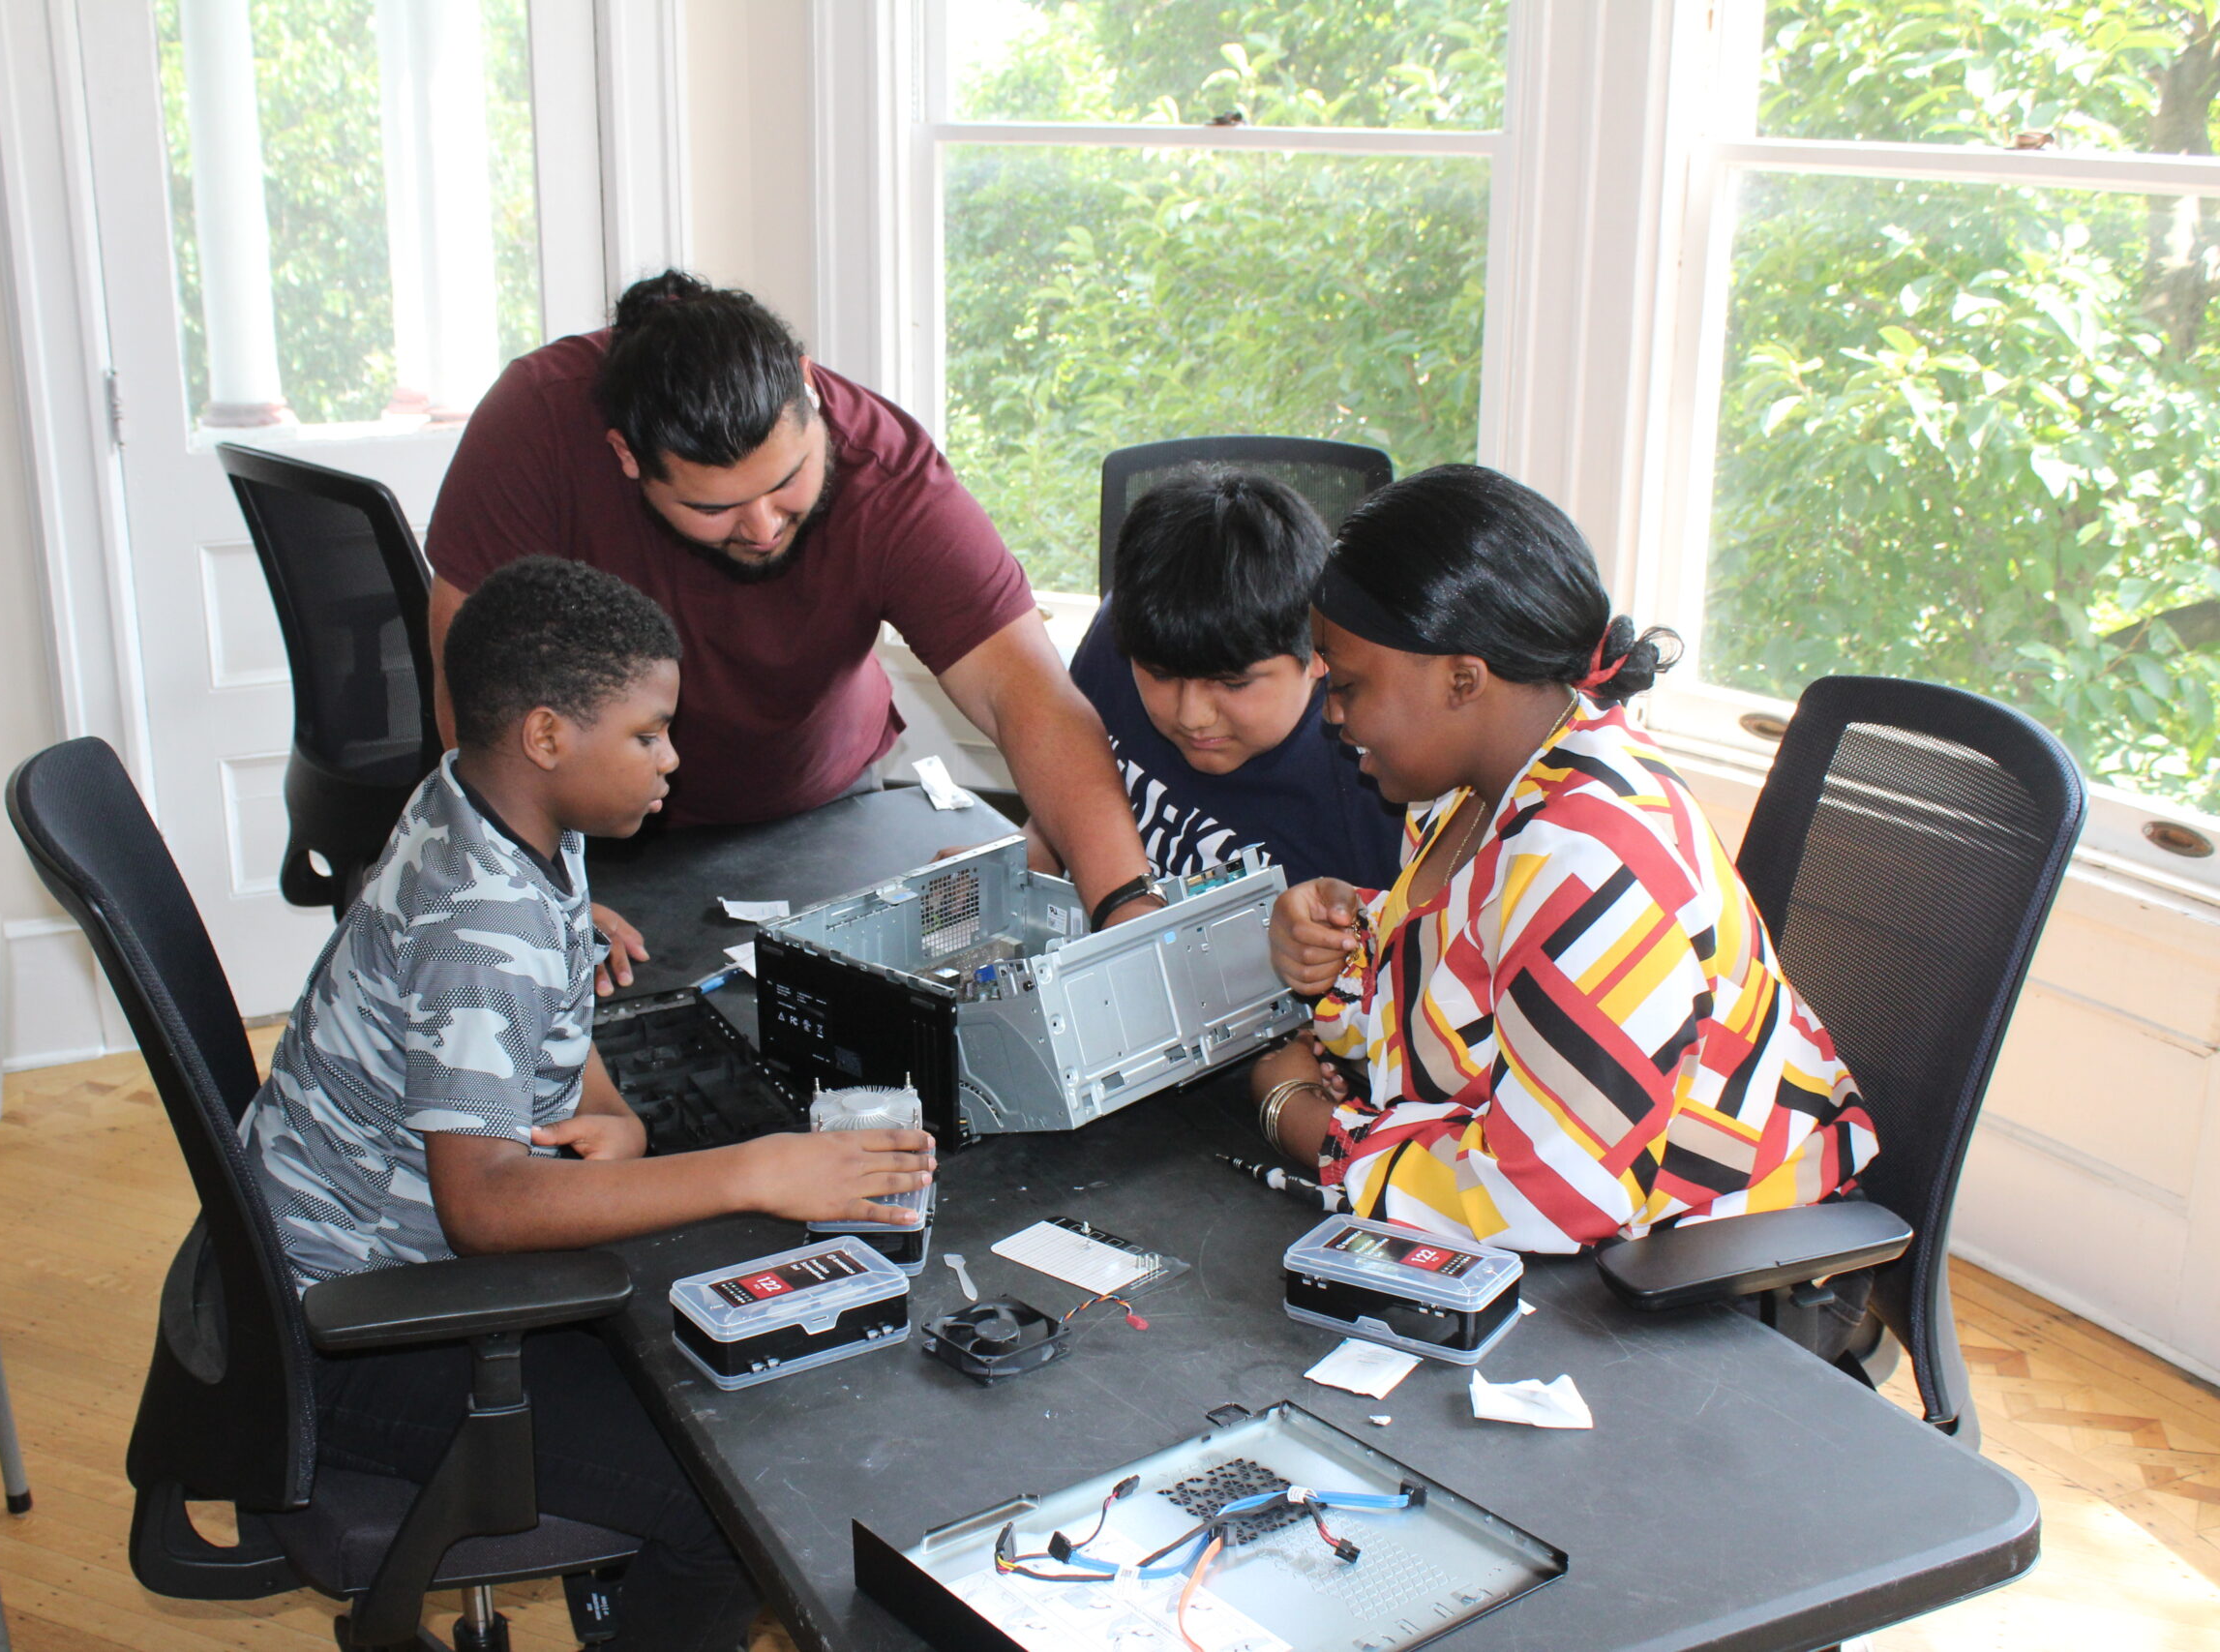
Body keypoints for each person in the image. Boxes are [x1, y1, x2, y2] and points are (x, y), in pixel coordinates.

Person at [240, 556, 935, 1651]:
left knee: (701, 1352)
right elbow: (484, 1207)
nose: (673, 759)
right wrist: (753, 1167)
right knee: (736, 1500)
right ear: (550, 738)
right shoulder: (485, 936)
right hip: (350, 1334)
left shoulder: (484, 805)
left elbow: (528, 978)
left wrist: (606, 1082)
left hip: (324, 1257)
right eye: (650, 735)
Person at [426, 270, 1164, 992]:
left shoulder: (889, 480)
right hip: (590, 824)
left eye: (786, 483)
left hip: (820, 812)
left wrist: (1126, 907)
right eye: (714, 507)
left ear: (808, 388)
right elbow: (479, 687)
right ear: (626, 457)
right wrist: (532, 889)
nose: (762, 526)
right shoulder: (537, 422)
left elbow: (1024, 690)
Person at [1249, 464, 1877, 1252]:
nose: (1329, 711)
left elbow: (1542, 1196)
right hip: (1587, 1215)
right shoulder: (1474, 789)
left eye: (1345, 683)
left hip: (1689, 1260)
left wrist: (1305, 1122)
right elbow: (1469, 988)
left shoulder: (1591, 858)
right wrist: (1339, 943)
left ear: (1463, 679)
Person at [1051, 467, 1408, 888]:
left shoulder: (1377, 781)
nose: (1192, 716)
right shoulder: (1130, 632)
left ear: (1320, 653)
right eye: (1161, 675)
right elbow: (1057, 809)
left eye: (1233, 683)